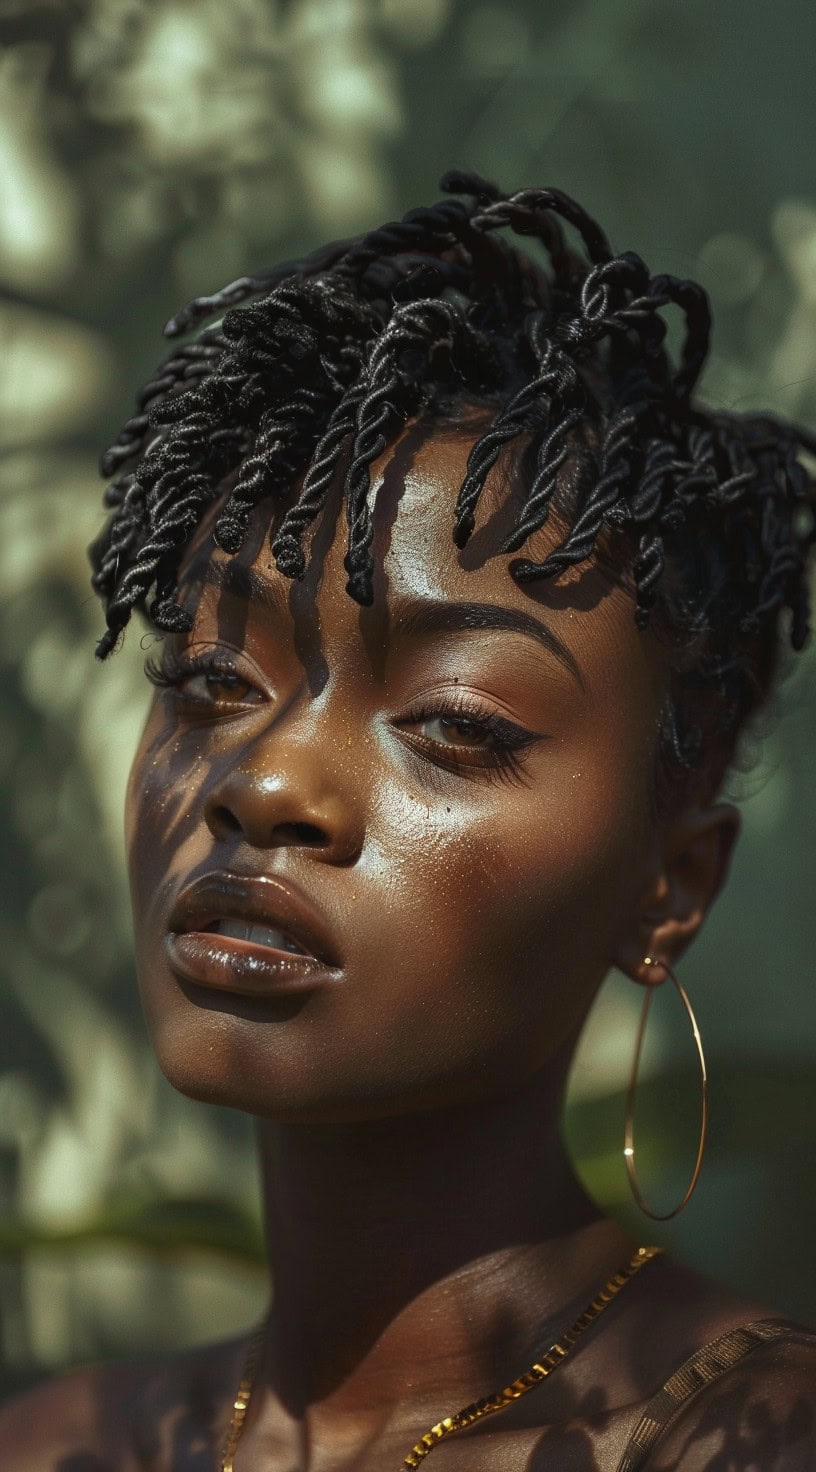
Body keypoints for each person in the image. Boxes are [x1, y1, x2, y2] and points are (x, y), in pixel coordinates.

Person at [1, 172, 815, 1471]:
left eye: (453, 724)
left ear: (670, 887)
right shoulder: (54, 1445)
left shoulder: (748, 1440)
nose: (263, 786)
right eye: (213, 683)